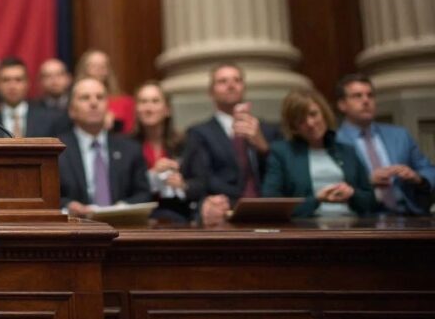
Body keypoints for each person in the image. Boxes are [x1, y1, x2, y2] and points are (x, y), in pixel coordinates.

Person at [262, 88, 379, 218]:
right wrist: (316, 199)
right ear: (293, 126)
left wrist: (352, 194)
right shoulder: (282, 153)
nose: (310, 123)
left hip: (351, 225)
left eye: (313, 114)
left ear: (324, 113)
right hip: (306, 228)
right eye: (301, 120)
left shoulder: (347, 151)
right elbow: (270, 203)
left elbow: (371, 201)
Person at [186, 63, 283, 217]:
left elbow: (281, 173)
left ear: (244, 87)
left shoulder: (267, 130)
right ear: (211, 92)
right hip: (224, 208)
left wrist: (263, 147)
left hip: (268, 207)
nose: (231, 85)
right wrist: (242, 201)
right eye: (222, 81)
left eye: (236, 80)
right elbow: (203, 178)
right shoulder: (199, 132)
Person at [335, 73, 435, 215]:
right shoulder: (335, 141)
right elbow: (330, 183)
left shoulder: (399, 135)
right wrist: (367, 181)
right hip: (362, 219)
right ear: (342, 104)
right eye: (357, 96)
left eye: (370, 95)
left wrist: (417, 177)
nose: (366, 100)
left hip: (408, 215)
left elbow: (430, 170)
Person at [58, 78, 151, 216]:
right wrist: (68, 205)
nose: (94, 103)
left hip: (122, 228)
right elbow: (46, 197)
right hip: (74, 230)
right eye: (85, 98)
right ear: (72, 110)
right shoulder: (57, 150)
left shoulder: (130, 149)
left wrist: (123, 207)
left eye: (100, 97)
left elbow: (143, 193)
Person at [130, 81, 205, 222]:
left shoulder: (186, 143)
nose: (148, 107)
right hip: (139, 218)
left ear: (167, 109)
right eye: (143, 102)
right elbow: (121, 188)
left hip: (179, 215)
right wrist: (152, 176)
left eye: (155, 101)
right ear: (136, 109)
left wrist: (183, 185)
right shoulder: (125, 146)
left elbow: (201, 183)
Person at [0, 56, 69, 138]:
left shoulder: (50, 118)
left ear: (27, 83)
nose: (12, 86)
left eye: (18, 79)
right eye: (6, 80)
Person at [75, 49, 135, 133]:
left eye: (103, 66)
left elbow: (131, 132)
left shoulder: (125, 101)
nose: (99, 69)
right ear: (84, 69)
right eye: (93, 65)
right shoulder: (74, 99)